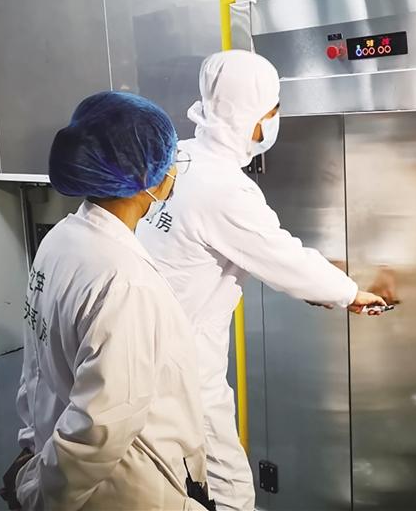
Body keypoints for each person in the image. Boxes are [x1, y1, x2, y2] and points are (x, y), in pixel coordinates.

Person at [136, 50, 387, 510]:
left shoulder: (178, 155)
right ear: (251, 118)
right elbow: (283, 258)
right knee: (228, 487)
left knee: (166, 477)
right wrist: (349, 293)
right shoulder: (226, 188)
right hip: (184, 363)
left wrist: (320, 286)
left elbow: (227, 248)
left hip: (144, 347)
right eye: (273, 109)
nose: (274, 119)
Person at [8, 92, 214, 510]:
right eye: (170, 158)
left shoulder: (60, 240)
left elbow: (36, 371)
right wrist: (39, 493)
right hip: (125, 489)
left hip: (59, 462)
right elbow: (99, 429)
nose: (175, 169)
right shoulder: (126, 282)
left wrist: (31, 450)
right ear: (145, 176)